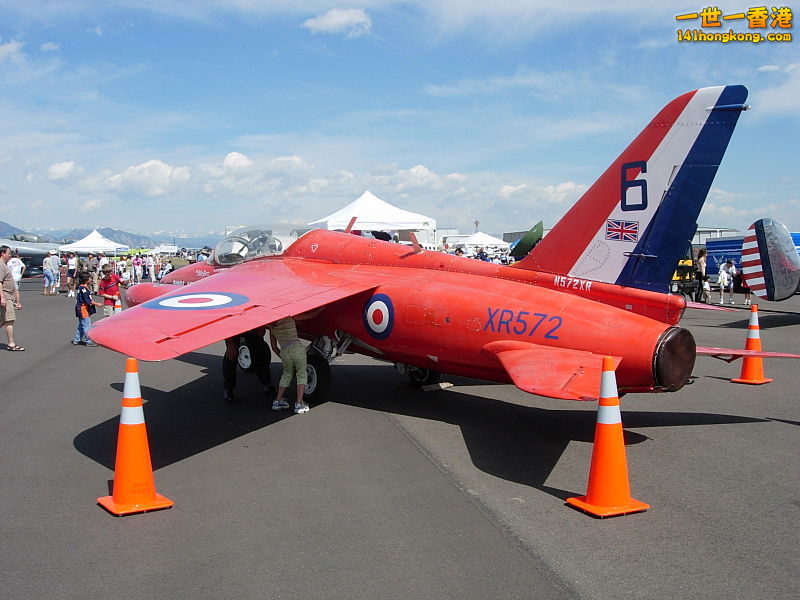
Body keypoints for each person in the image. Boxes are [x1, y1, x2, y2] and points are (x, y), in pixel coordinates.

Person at [222, 327, 275, 403]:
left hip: (250, 325)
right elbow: (223, 322)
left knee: (260, 351)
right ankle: (228, 389)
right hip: (232, 327)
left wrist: (262, 326)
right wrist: (230, 343)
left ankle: (267, 384)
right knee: (231, 355)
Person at [268, 317, 309, 414]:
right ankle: (299, 404)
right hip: (297, 348)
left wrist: (282, 356)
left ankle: (278, 401)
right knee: (301, 374)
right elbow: (307, 315)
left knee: (287, 374)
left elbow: (274, 347)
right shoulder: (289, 318)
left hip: (284, 350)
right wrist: (320, 309)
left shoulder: (272, 327)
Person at [1, 245, 24, 351]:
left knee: (2, 320)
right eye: (9, 253)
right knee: (9, 319)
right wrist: (2, 298)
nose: (10, 255)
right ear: (3, 253)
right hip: (5, 296)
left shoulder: (4, 265)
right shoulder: (1, 266)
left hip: (8, 296)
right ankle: (11, 344)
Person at [72, 271, 103, 347]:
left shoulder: (83, 288)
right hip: (83, 309)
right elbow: (87, 300)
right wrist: (97, 304)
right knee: (87, 326)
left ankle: (77, 339)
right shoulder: (83, 289)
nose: (91, 279)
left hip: (83, 309)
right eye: (90, 278)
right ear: (86, 279)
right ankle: (88, 341)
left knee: (81, 325)